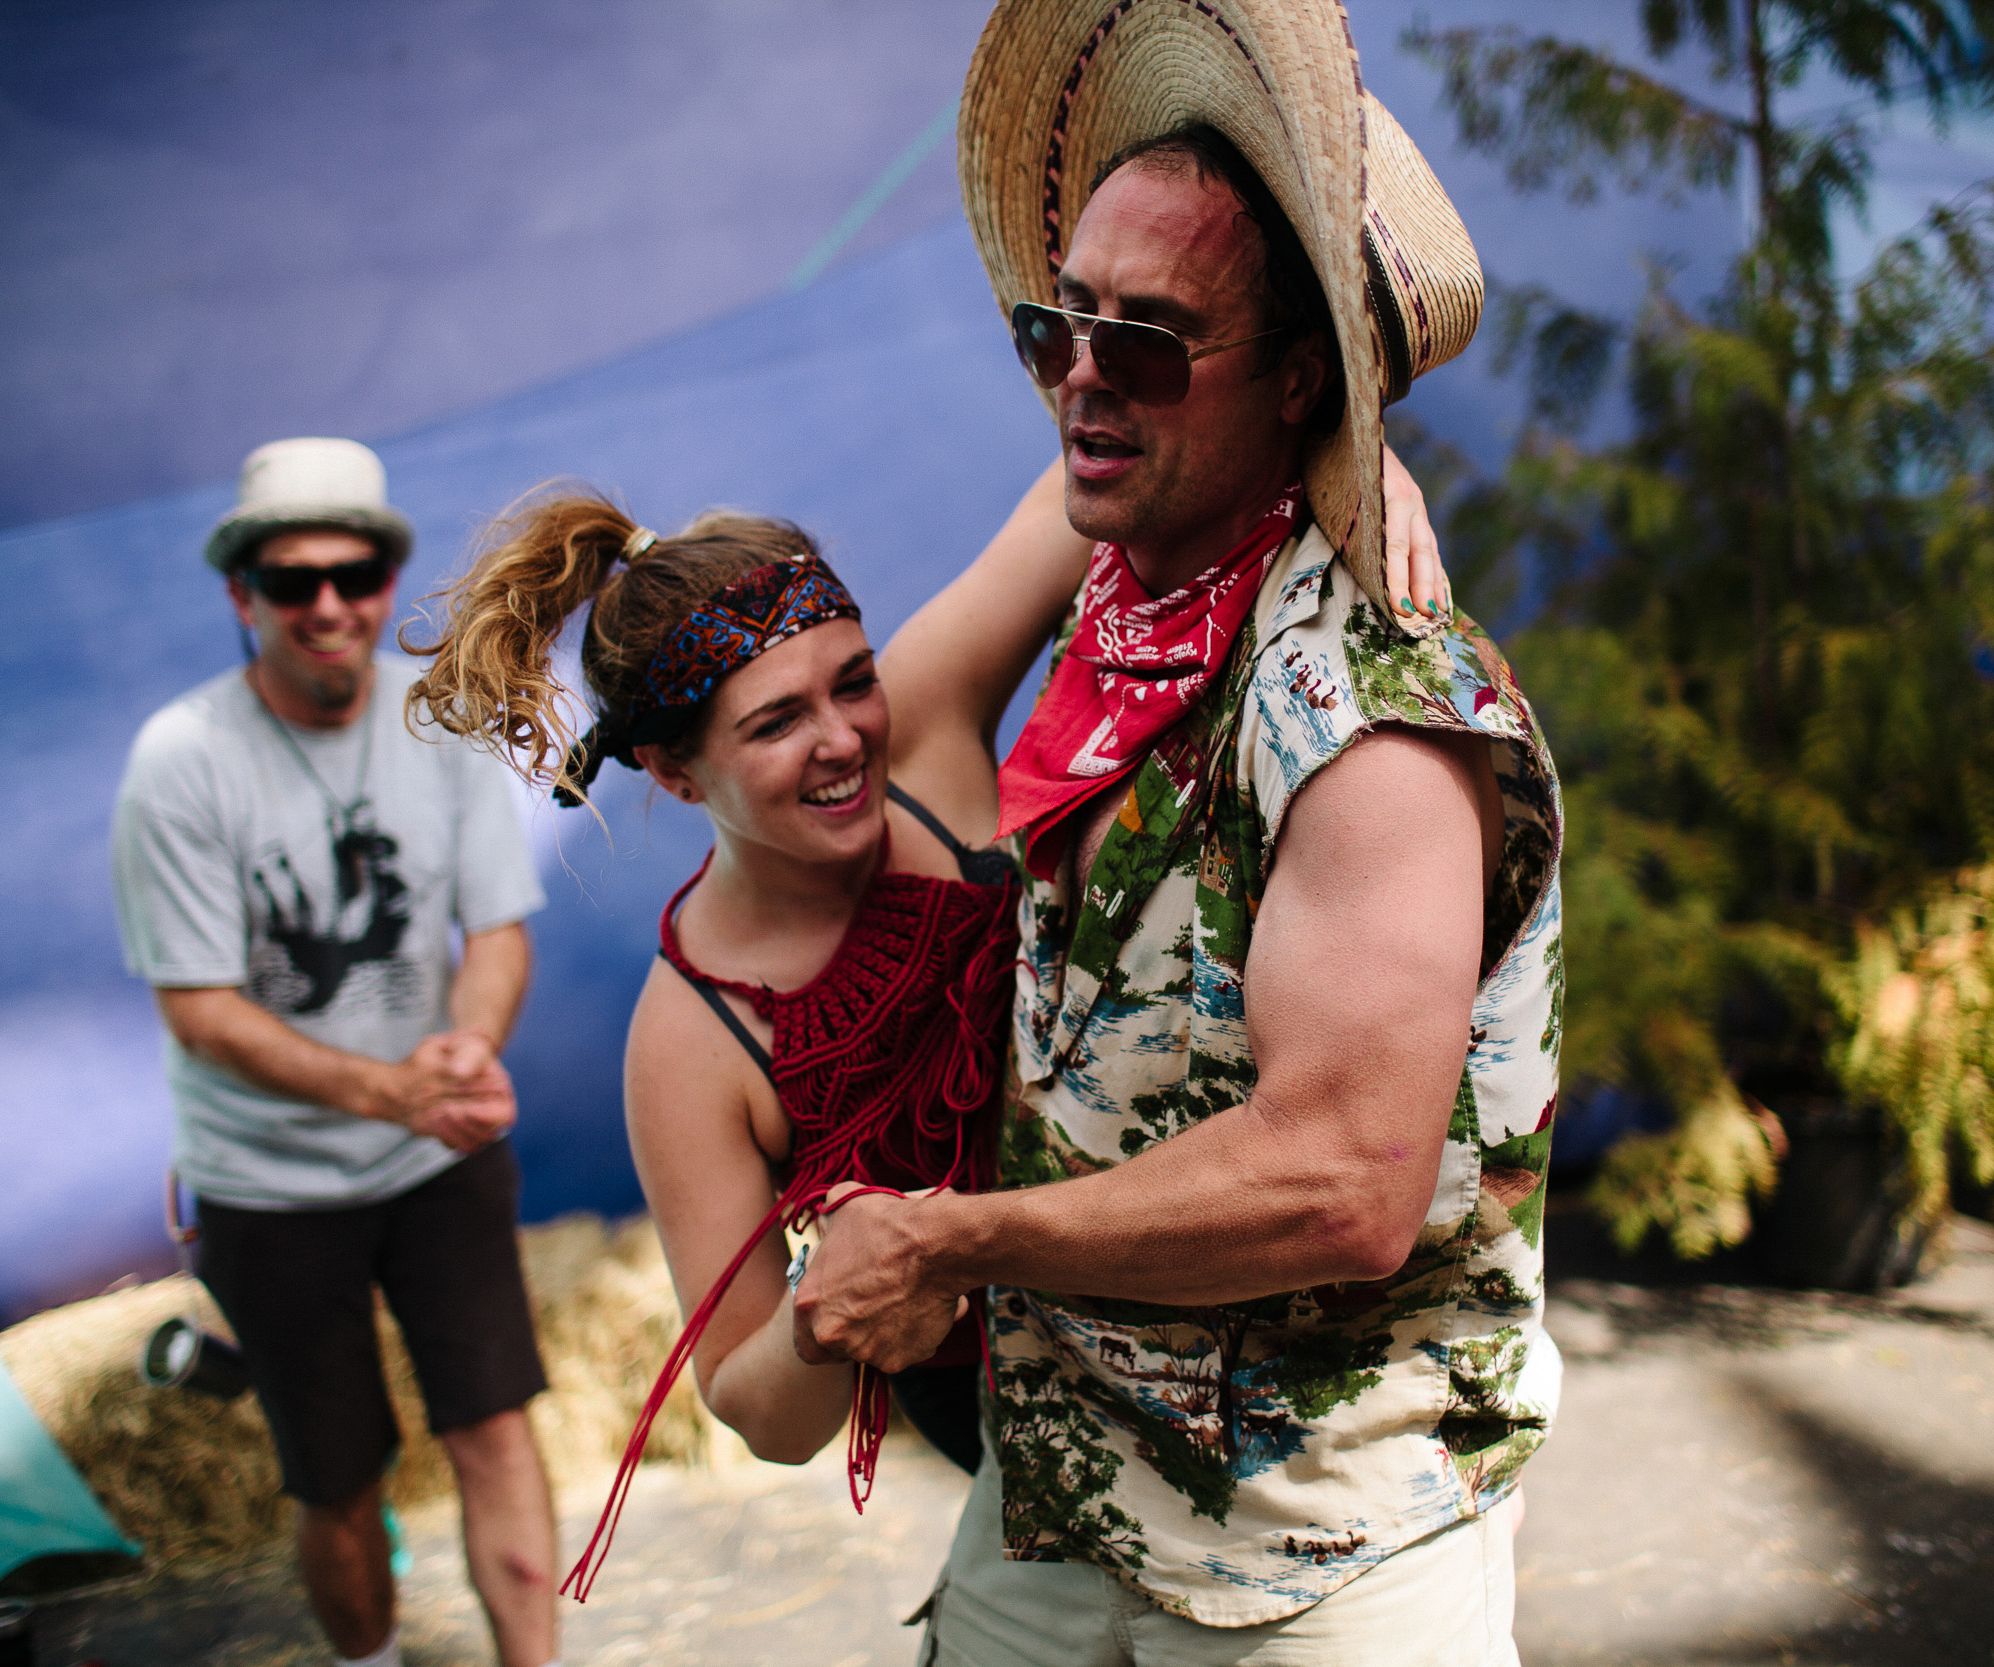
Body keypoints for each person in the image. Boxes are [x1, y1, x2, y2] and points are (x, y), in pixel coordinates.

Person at [791, 5, 1567, 1663]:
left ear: (1298, 376)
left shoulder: (1371, 715)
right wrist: (1320, 445)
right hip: (1063, 1487)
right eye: (1056, 323)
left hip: (1313, 1550)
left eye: (1147, 341)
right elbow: (915, 703)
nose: (1082, 378)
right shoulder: (1131, 575)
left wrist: (950, 1240)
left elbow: (1342, 1184)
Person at [399, 452, 1447, 1593]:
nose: (843, 736)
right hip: (1010, 1405)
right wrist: (831, 1307)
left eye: (852, 680)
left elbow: (1107, 463)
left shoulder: (925, 724)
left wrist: (1352, 455)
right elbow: (761, 1410)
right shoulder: (691, 1038)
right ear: (674, 772)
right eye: (776, 722)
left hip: (1206, 1277)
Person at [109, 437, 560, 1667]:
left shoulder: (441, 726)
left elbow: (498, 933)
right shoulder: (181, 761)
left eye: (351, 573)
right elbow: (200, 1008)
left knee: (496, 1429)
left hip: (436, 1158)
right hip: (270, 1183)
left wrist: (466, 1053)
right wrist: (394, 1091)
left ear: (384, 581)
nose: (326, 603)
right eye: (290, 578)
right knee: (339, 1477)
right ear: (241, 594)